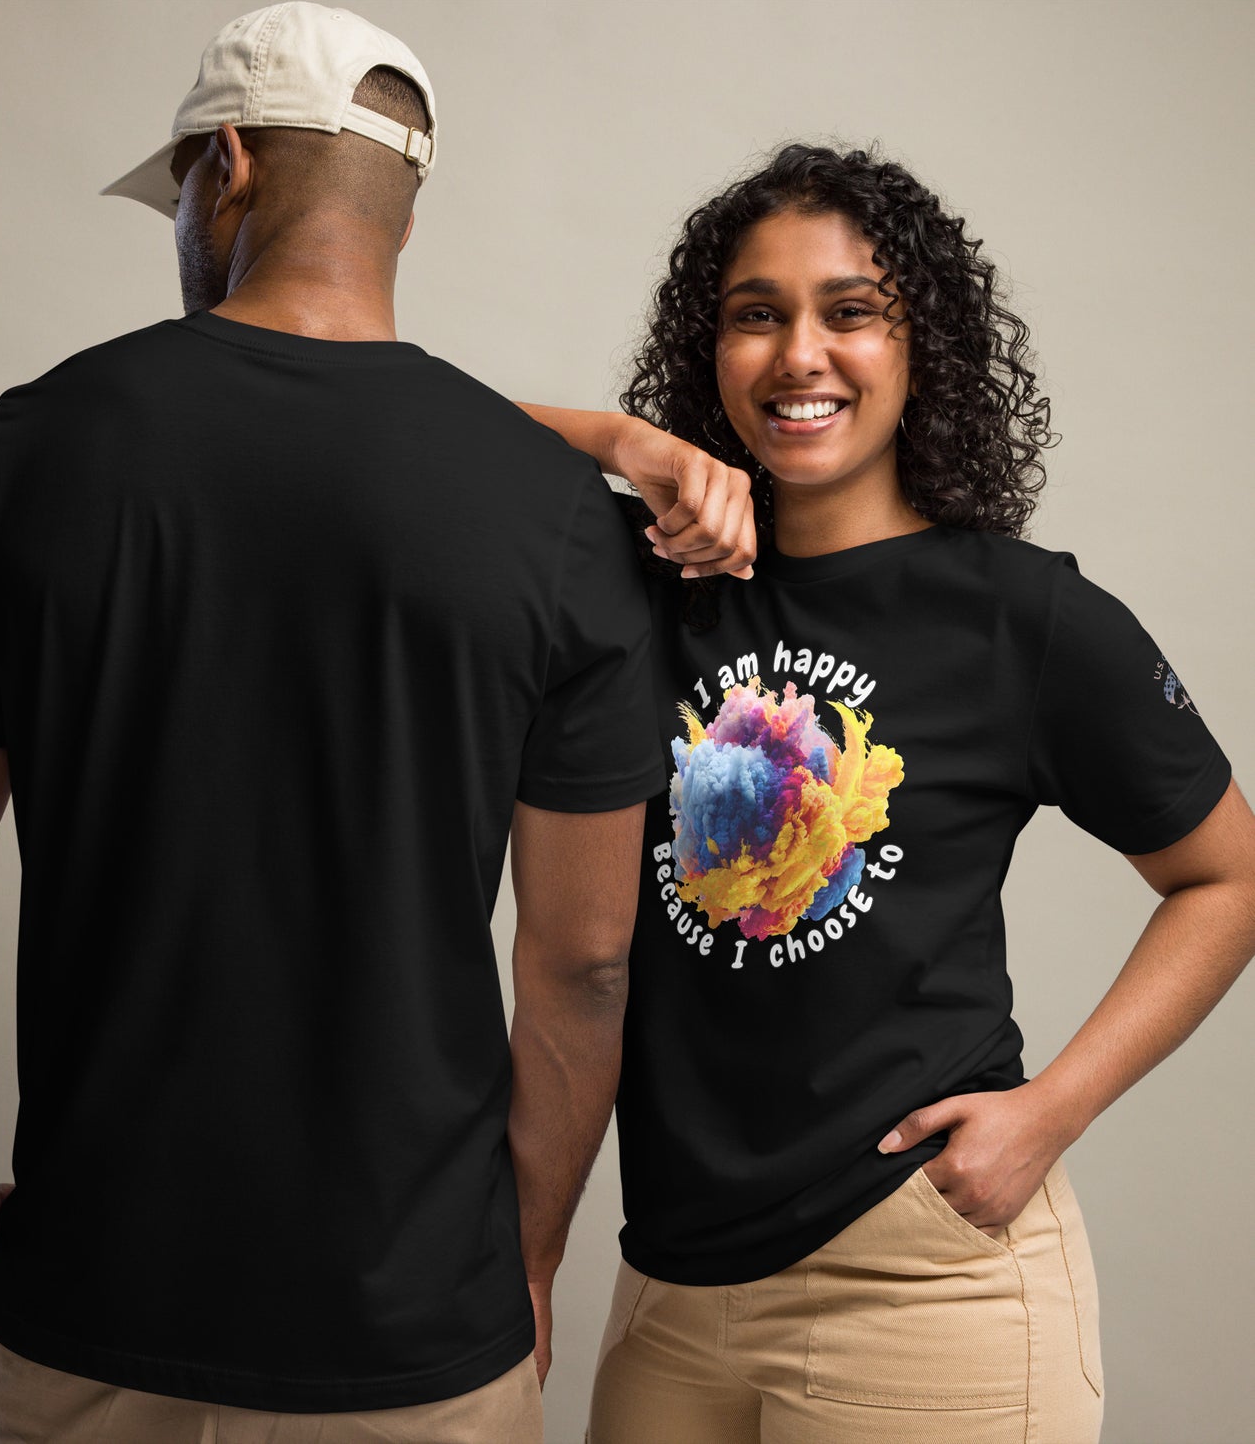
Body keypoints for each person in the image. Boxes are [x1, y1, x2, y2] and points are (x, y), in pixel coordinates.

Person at [0, 4, 664, 1441]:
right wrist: (523, 1261)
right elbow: (583, 962)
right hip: (417, 1338)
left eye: (175, 189)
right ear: (405, 208)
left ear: (222, 168)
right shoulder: (554, 521)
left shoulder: (29, 450)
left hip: (88, 1304)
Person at [521, 142, 1255, 1442]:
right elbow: (403, 432)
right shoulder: (637, 588)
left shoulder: (1019, 616)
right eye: (757, 314)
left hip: (918, 1282)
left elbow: (1228, 875)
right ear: (711, 347)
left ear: (924, 348)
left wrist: (1053, 1107)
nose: (800, 353)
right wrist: (625, 442)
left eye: (849, 311)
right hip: (670, 1286)